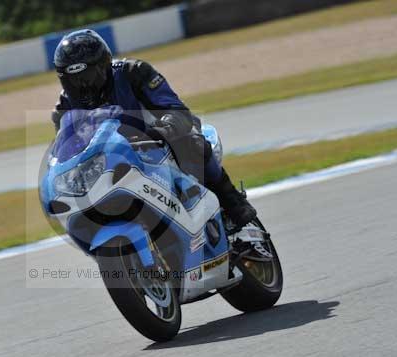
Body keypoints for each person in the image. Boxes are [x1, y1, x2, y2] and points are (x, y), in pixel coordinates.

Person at [50, 29, 256, 227]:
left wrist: (164, 128)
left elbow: (176, 110)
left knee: (192, 142)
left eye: (87, 77)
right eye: (72, 81)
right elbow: (69, 145)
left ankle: (233, 202)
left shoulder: (133, 72)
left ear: (103, 65)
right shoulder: (65, 104)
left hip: (157, 142)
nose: (82, 86)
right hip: (113, 158)